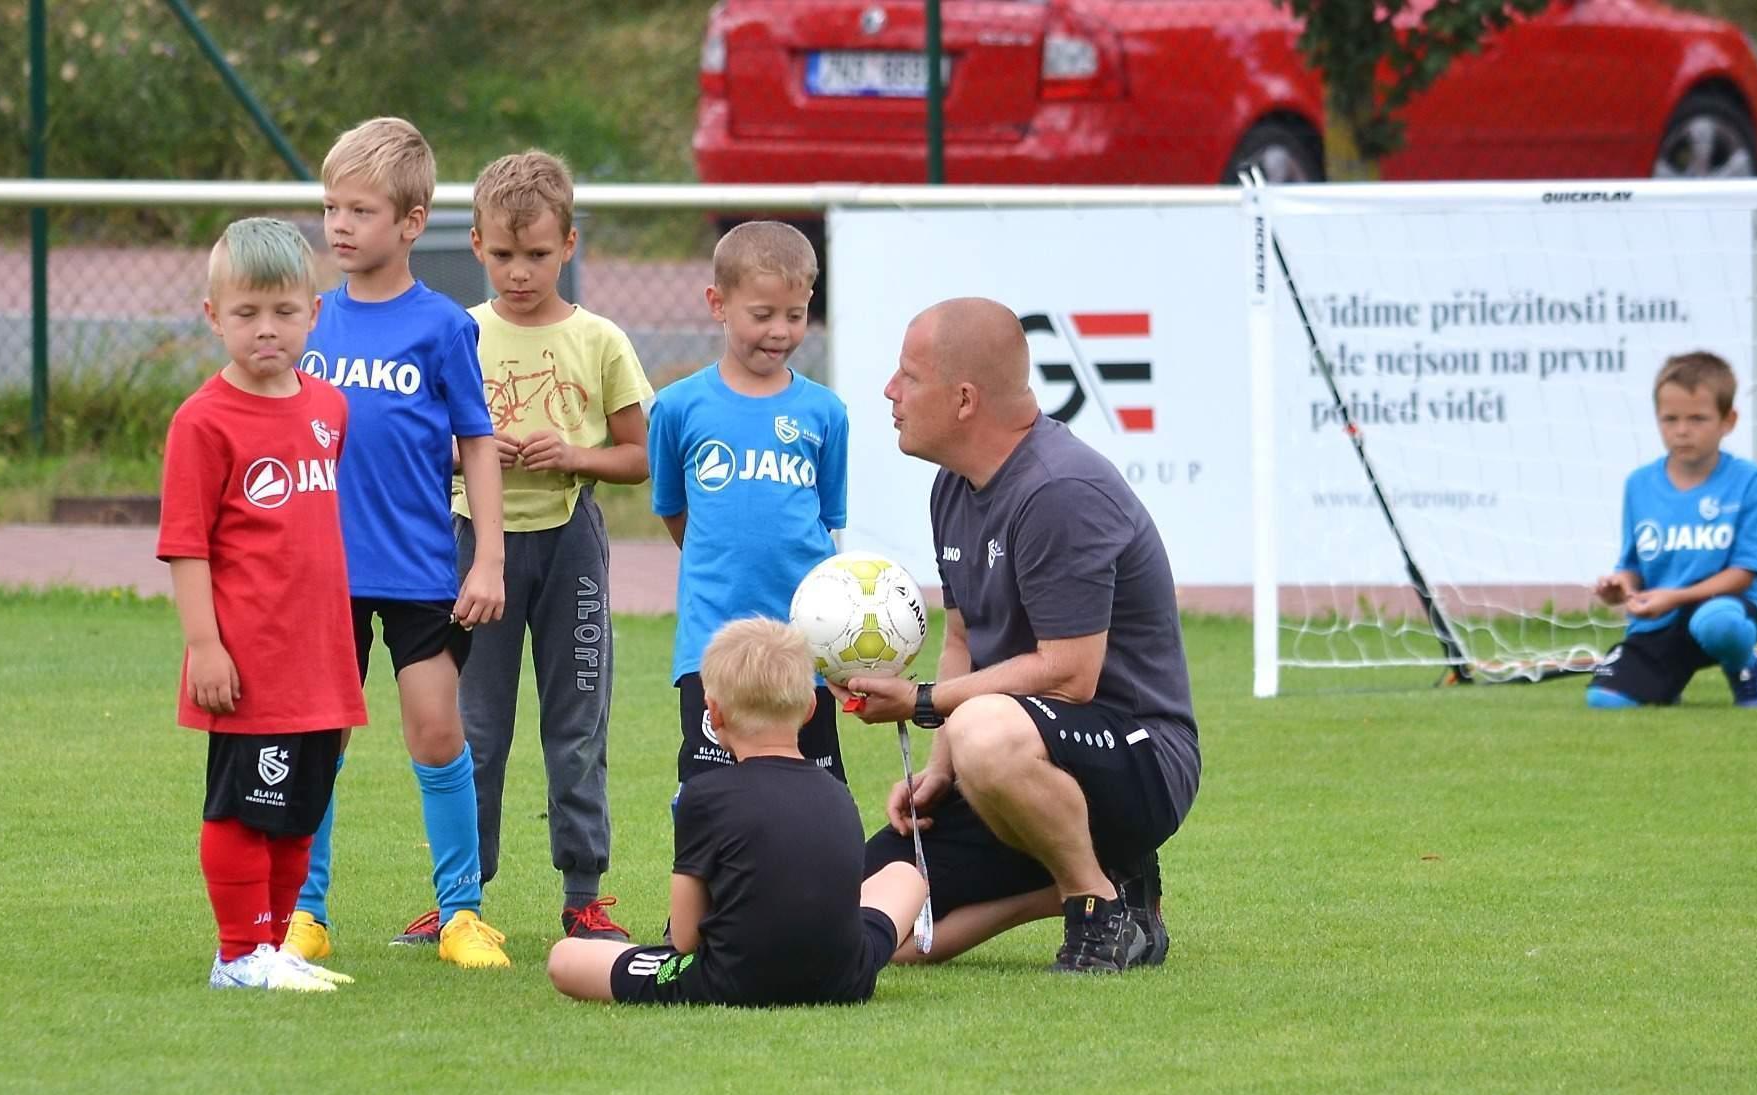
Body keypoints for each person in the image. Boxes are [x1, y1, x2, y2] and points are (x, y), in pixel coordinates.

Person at [840, 297, 1199, 975]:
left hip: (1140, 757)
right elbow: (963, 641)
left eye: (908, 376)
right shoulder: (952, 484)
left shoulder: (1059, 489)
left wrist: (922, 703)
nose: (890, 391)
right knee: (865, 923)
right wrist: (940, 773)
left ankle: (1094, 906)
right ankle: (1084, 887)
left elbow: (1071, 674)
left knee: (981, 729)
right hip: (1008, 755)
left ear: (965, 398)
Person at [279, 116, 512, 969]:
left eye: (361, 211)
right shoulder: (309, 321)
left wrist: (487, 556)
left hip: (419, 571)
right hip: (321, 575)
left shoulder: (443, 325)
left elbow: (478, 440)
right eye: (331, 207)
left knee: (435, 731)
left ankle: (460, 913)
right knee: (318, 739)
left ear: (412, 223)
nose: (340, 226)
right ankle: (304, 910)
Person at [440, 150, 652, 943]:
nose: (519, 272)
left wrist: (572, 455)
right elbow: (428, 448)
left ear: (569, 245)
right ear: (476, 247)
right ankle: (461, 898)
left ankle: (583, 893)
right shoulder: (458, 334)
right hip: (476, 546)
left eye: (536, 255)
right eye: (502, 255)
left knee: (576, 723)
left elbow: (638, 458)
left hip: (570, 548)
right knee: (477, 729)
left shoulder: (599, 340)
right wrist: (476, 450)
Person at [159, 217, 366, 992]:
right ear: (214, 316)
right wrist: (205, 647)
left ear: (314, 311)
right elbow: (187, 544)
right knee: (247, 806)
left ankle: (274, 945)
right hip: (250, 659)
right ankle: (237, 954)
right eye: (246, 314)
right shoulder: (202, 422)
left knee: (301, 809)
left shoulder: (329, 408)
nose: (266, 329)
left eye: (283, 311)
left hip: (320, 656)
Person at [546, 617, 928, 1006]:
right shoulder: (837, 792)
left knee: (566, 958)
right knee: (905, 876)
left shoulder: (704, 795)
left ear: (714, 712)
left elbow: (685, 937)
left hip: (731, 978)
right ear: (811, 707)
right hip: (845, 976)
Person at [648, 222, 850, 794]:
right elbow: (675, 514)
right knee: (715, 794)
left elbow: (824, 523)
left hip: (801, 647)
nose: (781, 331)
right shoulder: (679, 407)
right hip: (713, 644)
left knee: (812, 792)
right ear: (718, 304)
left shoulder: (826, 412)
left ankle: (814, 886)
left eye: (795, 314)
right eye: (762, 315)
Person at [1587, 350, 1757, 709]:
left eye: (1697, 418)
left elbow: (1744, 573)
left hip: (1725, 608)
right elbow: (1633, 566)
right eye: (1669, 419)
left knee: (1717, 623)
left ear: (1727, 421)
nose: (1682, 430)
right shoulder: (1639, 484)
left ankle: (1744, 670)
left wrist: (1674, 597)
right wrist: (1621, 586)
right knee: (1605, 700)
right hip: (1661, 619)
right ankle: (1664, 684)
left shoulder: (1748, 481)